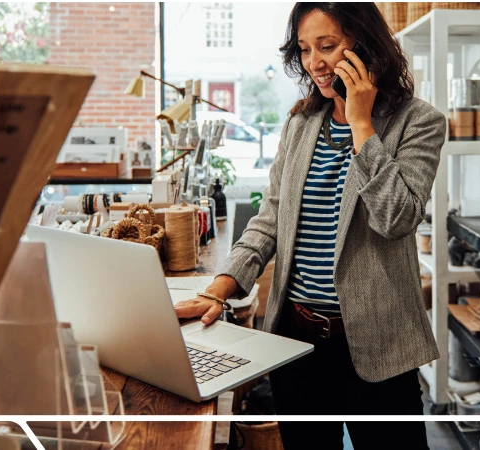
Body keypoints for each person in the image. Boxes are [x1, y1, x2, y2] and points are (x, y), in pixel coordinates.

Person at [174, 2, 446, 449]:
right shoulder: (301, 124)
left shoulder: (418, 122)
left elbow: (396, 217)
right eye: (304, 49)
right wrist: (218, 288)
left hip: (380, 344)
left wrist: (361, 123)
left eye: (328, 46)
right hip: (297, 342)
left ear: (364, 45)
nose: (314, 63)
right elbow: (269, 220)